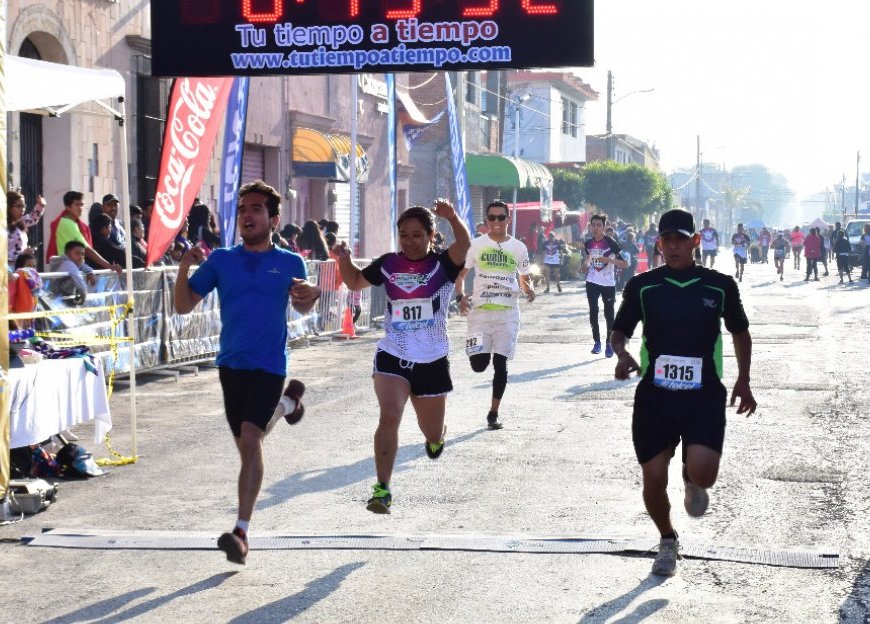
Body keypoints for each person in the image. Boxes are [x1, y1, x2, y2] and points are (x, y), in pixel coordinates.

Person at [173, 180, 320, 565]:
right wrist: (184, 268)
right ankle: (288, 405)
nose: (247, 216)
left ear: (274, 219)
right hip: (231, 365)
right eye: (242, 210)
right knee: (247, 442)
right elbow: (183, 306)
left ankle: (241, 532)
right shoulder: (222, 260)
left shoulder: (290, 262)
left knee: (252, 439)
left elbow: (303, 306)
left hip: (270, 365)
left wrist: (313, 293)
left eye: (256, 209)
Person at [611, 208, 756, 577]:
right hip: (655, 397)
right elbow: (620, 329)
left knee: (705, 475)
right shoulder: (642, 286)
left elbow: (740, 332)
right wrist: (622, 353)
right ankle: (667, 539)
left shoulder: (720, 286)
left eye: (680, 239)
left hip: (702, 395)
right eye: (667, 240)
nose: (673, 246)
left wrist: (743, 379)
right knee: (653, 479)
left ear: (695, 241)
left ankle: (692, 478)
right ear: (658, 243)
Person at [336, 200, 470, 514]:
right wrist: (343, 259)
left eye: (417, 235)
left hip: (432, 359)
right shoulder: (388, 264)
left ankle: (436, 438)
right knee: (389, 416)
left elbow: (465, 245)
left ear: (430, 236)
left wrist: (452, 217)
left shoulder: (443, 265)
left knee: (431, 431)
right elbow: (355, 281)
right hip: (393, 354)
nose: (409, 242)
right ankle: (382, 490)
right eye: (404, 235)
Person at [456, 200, 534, 431]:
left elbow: (524, 277)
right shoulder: (476, 245)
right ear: (487, 220)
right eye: (492, 217)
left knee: (501, 363)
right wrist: (460, 296)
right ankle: (482, 351)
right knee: (478, 365)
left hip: (507, 315)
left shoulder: (518, 248)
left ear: (508, 219)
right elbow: (461, 276)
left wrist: (528, 289)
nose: (497, 222)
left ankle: (493, 413)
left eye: (501, 217)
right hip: (480, 315)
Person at [583, 214, 628, 358]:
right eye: (593, 225)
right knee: (593, 310)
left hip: (608, 283)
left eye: (599, 225)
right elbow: (588, 259)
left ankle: (609, 343)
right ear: (590, 226)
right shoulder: (588, 244)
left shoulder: (611, 243)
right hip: (592, 281)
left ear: (604, 227)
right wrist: (584, 266)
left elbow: (625, 264)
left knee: (609, 313)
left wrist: (609, 260)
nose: (595, 228)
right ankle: (597, 342)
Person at [47, 191, 122, 276]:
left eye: (81, 205)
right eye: (76, 205)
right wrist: (109, 266)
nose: (80, 208)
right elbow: (87, 249)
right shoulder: (67, 223)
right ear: (68, 207)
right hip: (68, 270)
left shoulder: (74, 223)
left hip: (75, 268)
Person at [49, 240, 96, 305]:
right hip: (58, 300)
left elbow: (82, 265)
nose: (81, 256)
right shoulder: (67, 264)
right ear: (68, 254)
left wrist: (89, 272)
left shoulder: (73, 262)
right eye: (77, 253)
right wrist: (84, 298)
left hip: (64, 298)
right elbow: (79, 280)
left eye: (83, 254)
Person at [7, 191, 46, 265]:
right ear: (9, 207)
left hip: (21, 267)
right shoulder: (3, 227)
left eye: (24, 206)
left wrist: (41, 205)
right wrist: (22, 253)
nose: (23, 209)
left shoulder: (21, 222)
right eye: (19, 206)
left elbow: (33, 218)